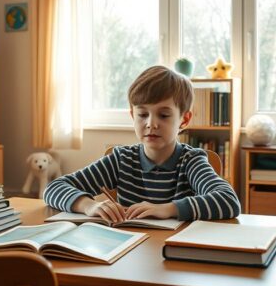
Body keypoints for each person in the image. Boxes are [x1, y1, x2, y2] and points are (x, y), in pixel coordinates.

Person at [44, 65, 241, 223]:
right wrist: (88, 205)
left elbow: (229, 200)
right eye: (142, 114)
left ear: (184, 120)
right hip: (126, 254)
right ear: (133, 116)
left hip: (173, 256)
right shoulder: (121, 159)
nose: (151, 124)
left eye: (164, 115)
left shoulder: (191, 161)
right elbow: (53, 188)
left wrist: (169, 209)